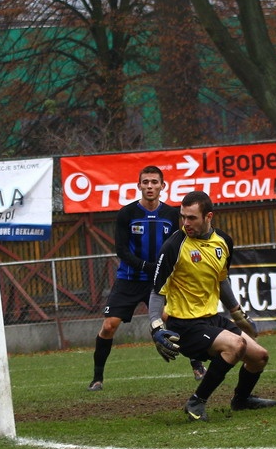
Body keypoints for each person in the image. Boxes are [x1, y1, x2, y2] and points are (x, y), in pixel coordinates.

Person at [147, 191, 276, 422]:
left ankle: (241, 400)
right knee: (235, 346)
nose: (186, 223)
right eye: (183, 217)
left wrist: (237, 313)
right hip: (184, 326)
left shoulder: (224, 242)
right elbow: (157, 292)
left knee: (259, 357)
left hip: (211, 319)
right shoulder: (174, 246)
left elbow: (221, 280)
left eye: (192, 218)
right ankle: (197, 400)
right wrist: (156, 326)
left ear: (208, 217)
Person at [88, 165, 205, 391]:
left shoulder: (172, 214)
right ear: (139, 185)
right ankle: (97, 378)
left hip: (161, 281)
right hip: (130, 279)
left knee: (178, 320)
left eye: (154, 182)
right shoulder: (127, 213)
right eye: (146, 182)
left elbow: (180, 244)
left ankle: (197, 366)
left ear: (163, 186)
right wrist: (146, 266)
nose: (150, 186)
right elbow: (121, 250)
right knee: (109, 326)